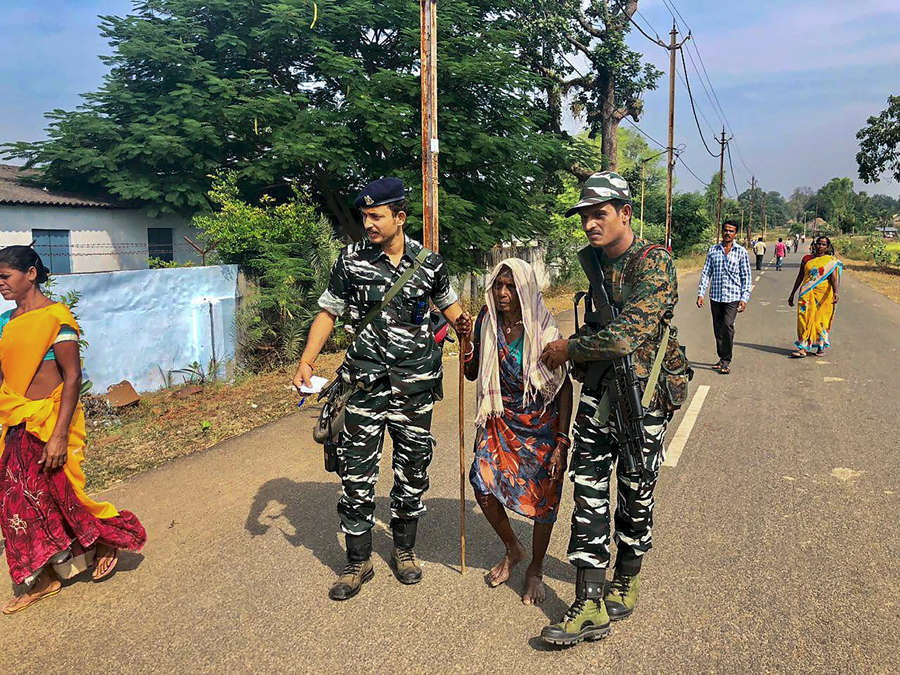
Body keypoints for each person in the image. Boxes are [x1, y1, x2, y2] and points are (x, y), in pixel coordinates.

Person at [293, 177, 472, 601]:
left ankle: (405, 552)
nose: (368, 223)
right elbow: (328, 311)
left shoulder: (429, 263)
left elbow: (453, 309)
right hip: (365, 385)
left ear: (400, 217)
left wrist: (466, 330)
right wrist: (307, 358)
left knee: (412, 472)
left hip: (415, 387)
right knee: (356, 475)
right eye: (364, 216)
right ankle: (358, 562)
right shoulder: (351, 260)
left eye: (376, 216)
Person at [538, 171, 690, 646]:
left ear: (625, 213)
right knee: (587, 486)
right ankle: (589, 600)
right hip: (599, 392)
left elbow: (626, 337)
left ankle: (627, 574)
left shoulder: (655, 262)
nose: (588, 224)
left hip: (644, 396)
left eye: (598, 213)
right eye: (583, 216)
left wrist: (571, 347)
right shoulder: (594, 265)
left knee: (636, 488)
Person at [0, 245, 146, 615]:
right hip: (17, 420)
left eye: (5, 276)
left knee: (65, 494)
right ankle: (45, 575)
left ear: (30, 274)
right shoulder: (5, 322)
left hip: (52, 419)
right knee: (17, 502)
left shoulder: (57, 318)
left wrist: (60, 435)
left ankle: (106, 541)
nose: (0, 283)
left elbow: (72, 376)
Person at [464, 259, 573, 606]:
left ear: (524, 289)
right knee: (480, 482)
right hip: (501, 421)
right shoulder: (487, 321)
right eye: (498, 286)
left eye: (510, 286)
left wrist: (562, 441)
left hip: (541, 426)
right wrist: (466, 339)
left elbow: (564, 388)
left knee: (544, 500)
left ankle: (536, 568)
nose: (503, 293)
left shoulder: (543, 329)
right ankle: (513, 548)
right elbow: (470, 373)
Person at [696, 220, 752, 375]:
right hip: (715, 296)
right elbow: (706, 273)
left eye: (731, 231)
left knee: (727, 326)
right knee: (718, 329)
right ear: (722, 232)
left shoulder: (741, 252)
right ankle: (722, 358)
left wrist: (744, 298)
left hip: (732, 297)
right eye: (726, 230)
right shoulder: (713, 250)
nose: (728, 233)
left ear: (735, 234)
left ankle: (726, 360)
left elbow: (746, 277)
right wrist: (701, 293)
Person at [788, 236, 841, 358]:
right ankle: (803, 347)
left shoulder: (830, 261)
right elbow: (800, 276)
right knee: (804, 318)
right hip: (806, 293)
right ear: (814, 245)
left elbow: (833, 278)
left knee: (820, 320)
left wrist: (836, 293)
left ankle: (820, 345)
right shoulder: (806, 259)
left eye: (823, 245)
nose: (820, 247)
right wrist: (792, 294)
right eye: (818, 244)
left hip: (824, 295)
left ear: (827, 247)